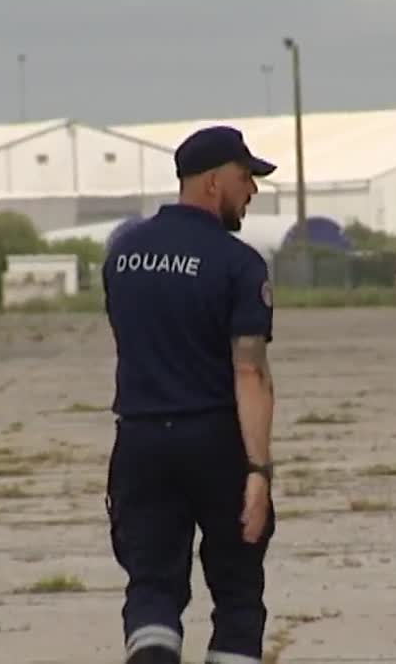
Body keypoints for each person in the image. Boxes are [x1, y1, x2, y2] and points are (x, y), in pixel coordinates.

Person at [101, 125, 279, 664]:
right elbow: (249, 372)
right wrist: (258, 471)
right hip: (215, 443)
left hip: (140, 443)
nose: (251, 191)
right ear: (211, 181)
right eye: (245, 178)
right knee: (238, 595)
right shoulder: (238, 263)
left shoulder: (123, 255)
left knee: (152, 587)